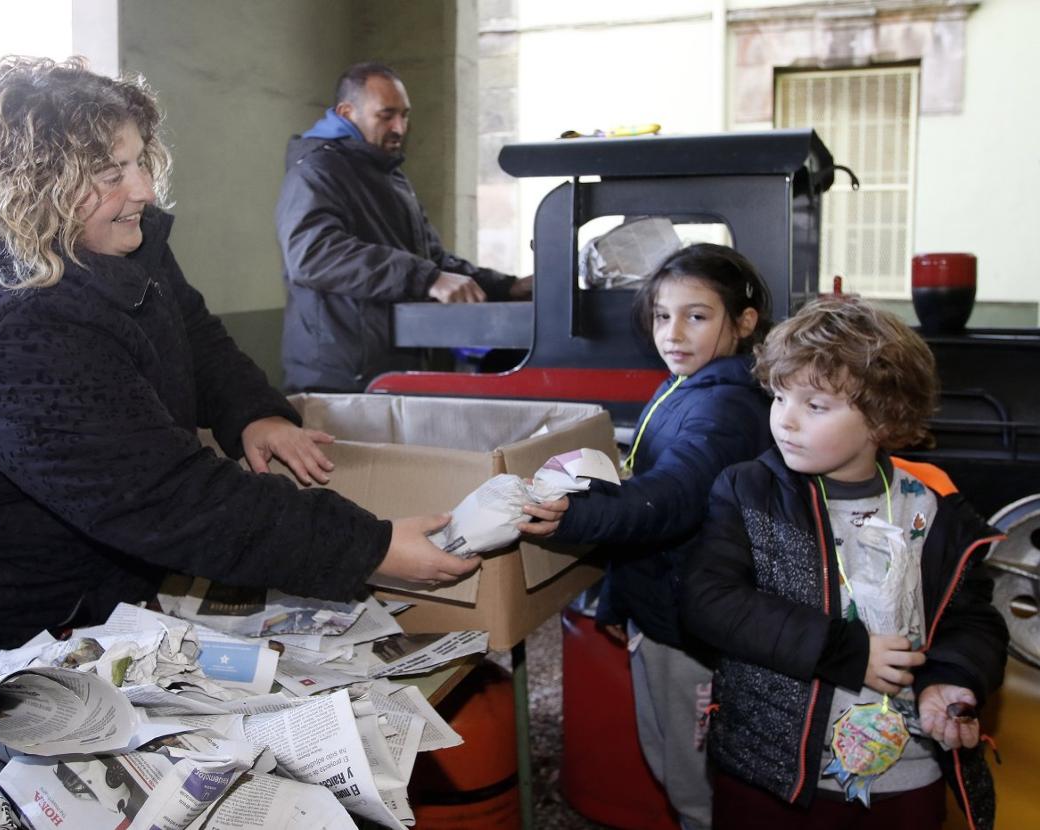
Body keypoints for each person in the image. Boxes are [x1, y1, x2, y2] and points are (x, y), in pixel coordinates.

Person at [0, 57, 479, 709]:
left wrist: (252, 413)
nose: (144, 188)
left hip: (9, 562)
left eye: (137, 161)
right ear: (31, 187)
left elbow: (190, 326)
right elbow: (167, 496)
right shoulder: (16, 326)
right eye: (111, 171)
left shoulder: (105, 236)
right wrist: (375, 548)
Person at [681, 296, 1007, 830]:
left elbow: (971, 617)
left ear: (883, 417)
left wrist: (952, 677)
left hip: (903, 775)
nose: (785, 420)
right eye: (780, 395)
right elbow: (709, 601)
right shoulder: (747, 490)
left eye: (815, 406)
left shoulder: (933, 506)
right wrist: (845, 651)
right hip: (769, 769)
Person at [519, 243, 775, 830]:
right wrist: (621, 598)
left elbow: (673, 496)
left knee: (694, 779)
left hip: (691, 629)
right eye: (663, 315)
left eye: (697, 315)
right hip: (661, 606)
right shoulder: (686, 386)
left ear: (743, 322)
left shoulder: (725, 408)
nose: (673, 333)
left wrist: (573, 515)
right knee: (667, 755)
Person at [276, 61, 532, 393]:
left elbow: (432, 259)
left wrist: (506, 287)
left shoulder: (390, 177)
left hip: (393, 370)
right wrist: (426, 278)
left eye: (405, 115)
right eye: (386, 115)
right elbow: (313, 255)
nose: (400, 126)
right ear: (346, 111)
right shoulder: (316, 170)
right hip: (339, 381)